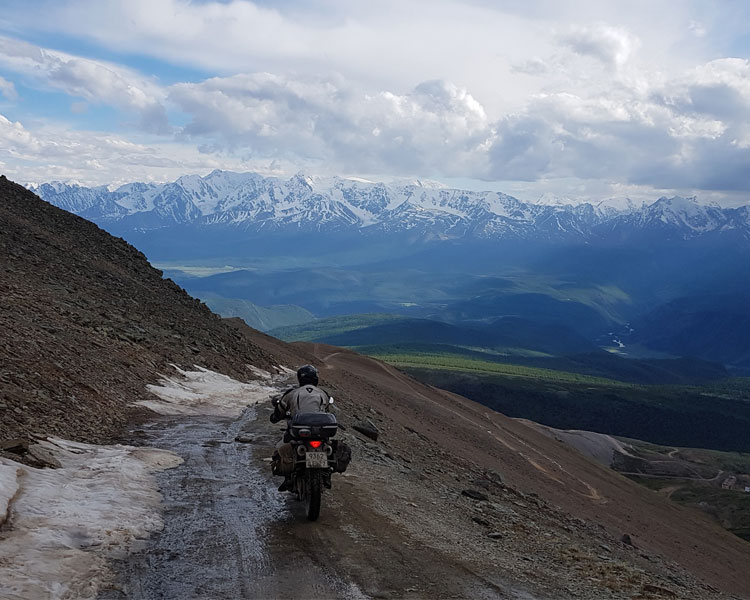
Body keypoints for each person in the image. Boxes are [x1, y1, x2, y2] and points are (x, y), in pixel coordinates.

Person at [270, 364, 331, 491]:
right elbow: (327, 410)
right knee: (328, 446)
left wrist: (275, 417)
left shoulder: (292, 393)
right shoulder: (323, 393)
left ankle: (288, 477)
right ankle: (327, 473)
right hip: (319, 431)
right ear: (315, 378)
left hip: (299, 431)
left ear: (300, 378)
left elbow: (280, 411)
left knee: (280, 448)